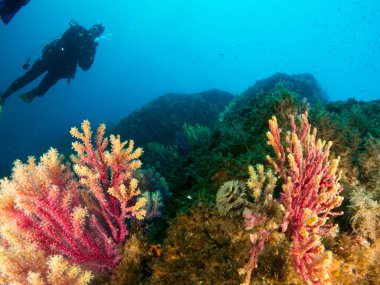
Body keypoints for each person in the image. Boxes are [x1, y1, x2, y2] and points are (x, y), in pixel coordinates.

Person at [0, 20, 105, 112]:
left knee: (41, 91)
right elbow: (65, 37)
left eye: (97, 32)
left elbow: (85, 67)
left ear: (98, 36)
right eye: (94, 28)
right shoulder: (78, 30)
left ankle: (32, 93)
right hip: (50, 58)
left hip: (61, 69)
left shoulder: (91, 48)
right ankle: (4, 96)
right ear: (91, 27)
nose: (94, 31)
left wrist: (84, 53)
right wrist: (77, 39)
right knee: (27, 78)